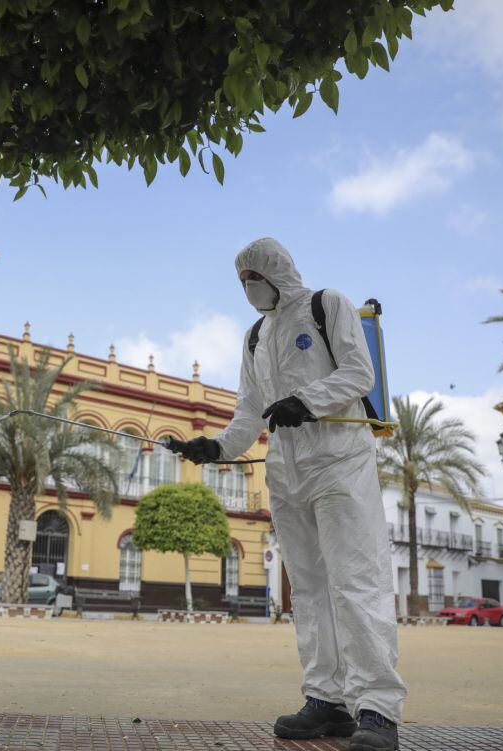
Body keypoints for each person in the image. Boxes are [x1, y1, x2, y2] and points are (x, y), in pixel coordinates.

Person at [170, 238, 405, 751]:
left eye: (254, 276)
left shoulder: (328, 305)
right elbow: (248, 412)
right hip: (286, 471)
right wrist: (215, 447)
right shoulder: (255, 335)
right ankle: (327, 700)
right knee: (309, 588)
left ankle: (378, 709)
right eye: (242, 282)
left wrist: (307, 400)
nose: (248, 288)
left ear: (277, 271)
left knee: (355, 581)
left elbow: (359, 373)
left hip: (340, 462)